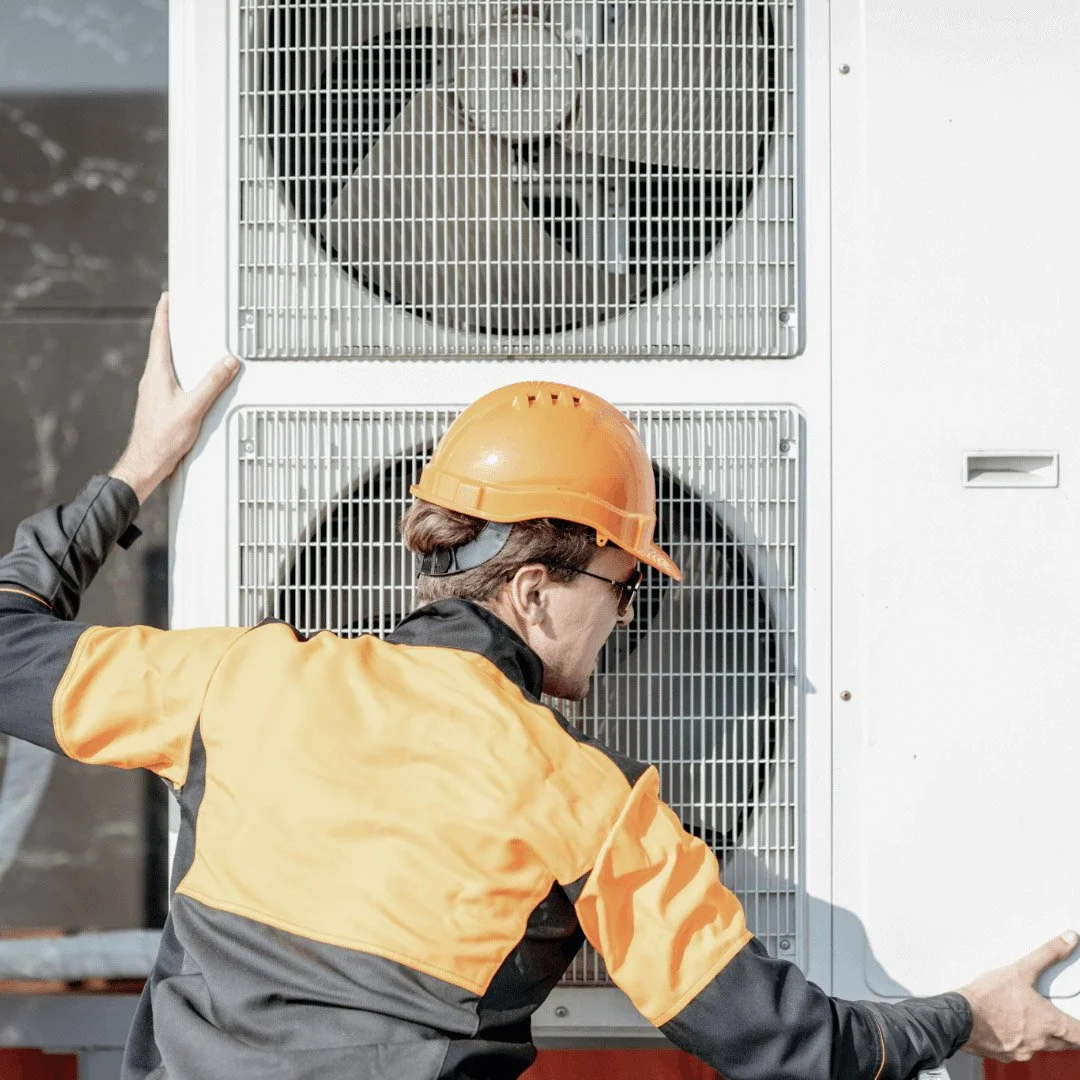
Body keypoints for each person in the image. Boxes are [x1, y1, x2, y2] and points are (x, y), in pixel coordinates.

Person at [0, 294, 1078, 1080]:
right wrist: (964, 1017)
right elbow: (777, 1040)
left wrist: (141, 466)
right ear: (533, 585)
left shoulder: (238, 681)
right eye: (624, 589)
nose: (627, 621)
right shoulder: (586, 800)